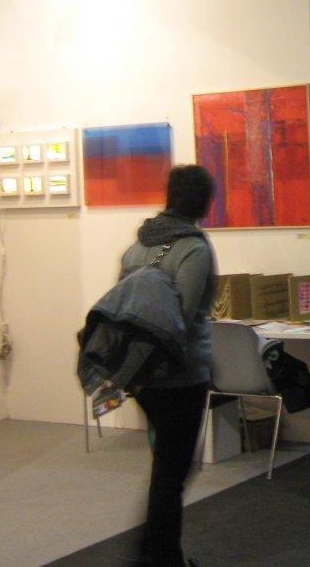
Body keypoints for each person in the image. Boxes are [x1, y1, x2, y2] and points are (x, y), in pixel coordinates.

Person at [120, 164, 216, 566]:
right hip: (181, 375)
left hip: (142, 376)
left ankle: (158, 555)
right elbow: (183, 318)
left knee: (167, 468)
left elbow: (123, 308)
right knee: (172, 474)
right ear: (203, 201)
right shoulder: (194, 249)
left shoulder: (138, 246)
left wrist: (138, 374)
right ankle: (158, 559)